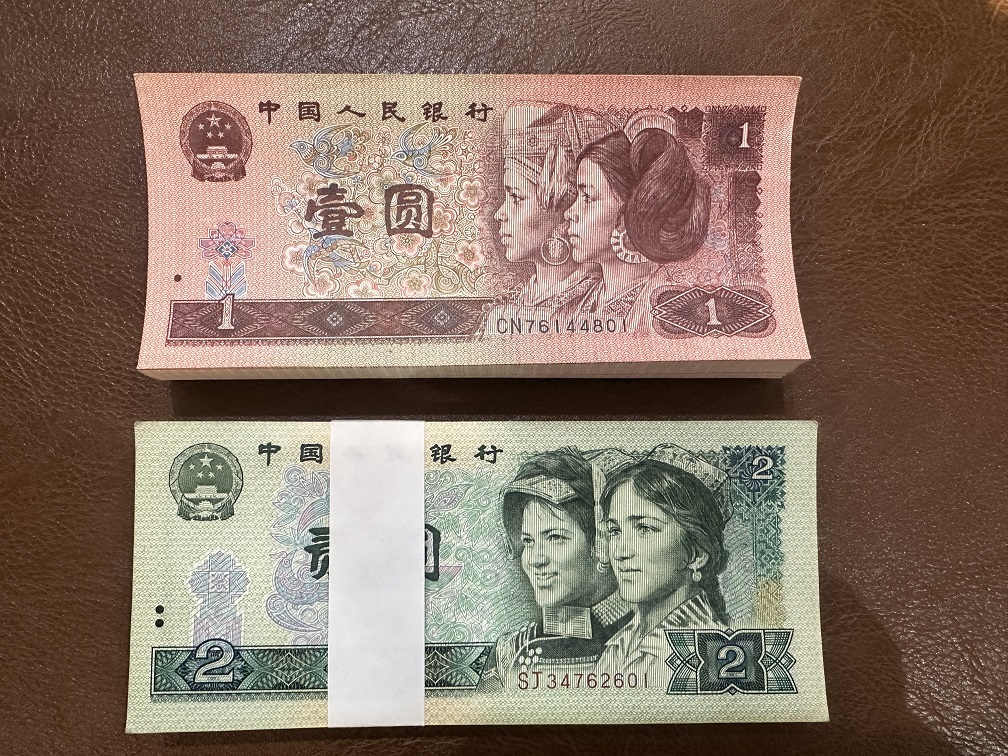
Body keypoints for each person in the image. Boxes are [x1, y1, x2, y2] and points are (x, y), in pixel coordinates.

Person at [481, 448, 632, 691]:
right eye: (528, 541)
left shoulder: (650, 638)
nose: (535, 559)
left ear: (600, 542)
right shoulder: (509, 653)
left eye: (554, 537)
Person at [565, 111, 711, 332]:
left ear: (630, 212)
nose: (569, 213)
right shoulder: (576, 301)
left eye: (588, 197)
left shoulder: (664, 309)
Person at [595, 458, 730, 692]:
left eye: (644, 528)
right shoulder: (619, 644)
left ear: (696, 554)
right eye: (615, 531)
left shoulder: (709, 655)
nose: (619, 552)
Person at [492, 103, 615, 315]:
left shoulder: (597, 305)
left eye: (516, 197)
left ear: (564, 209)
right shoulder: (518, 299)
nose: (499, 214)